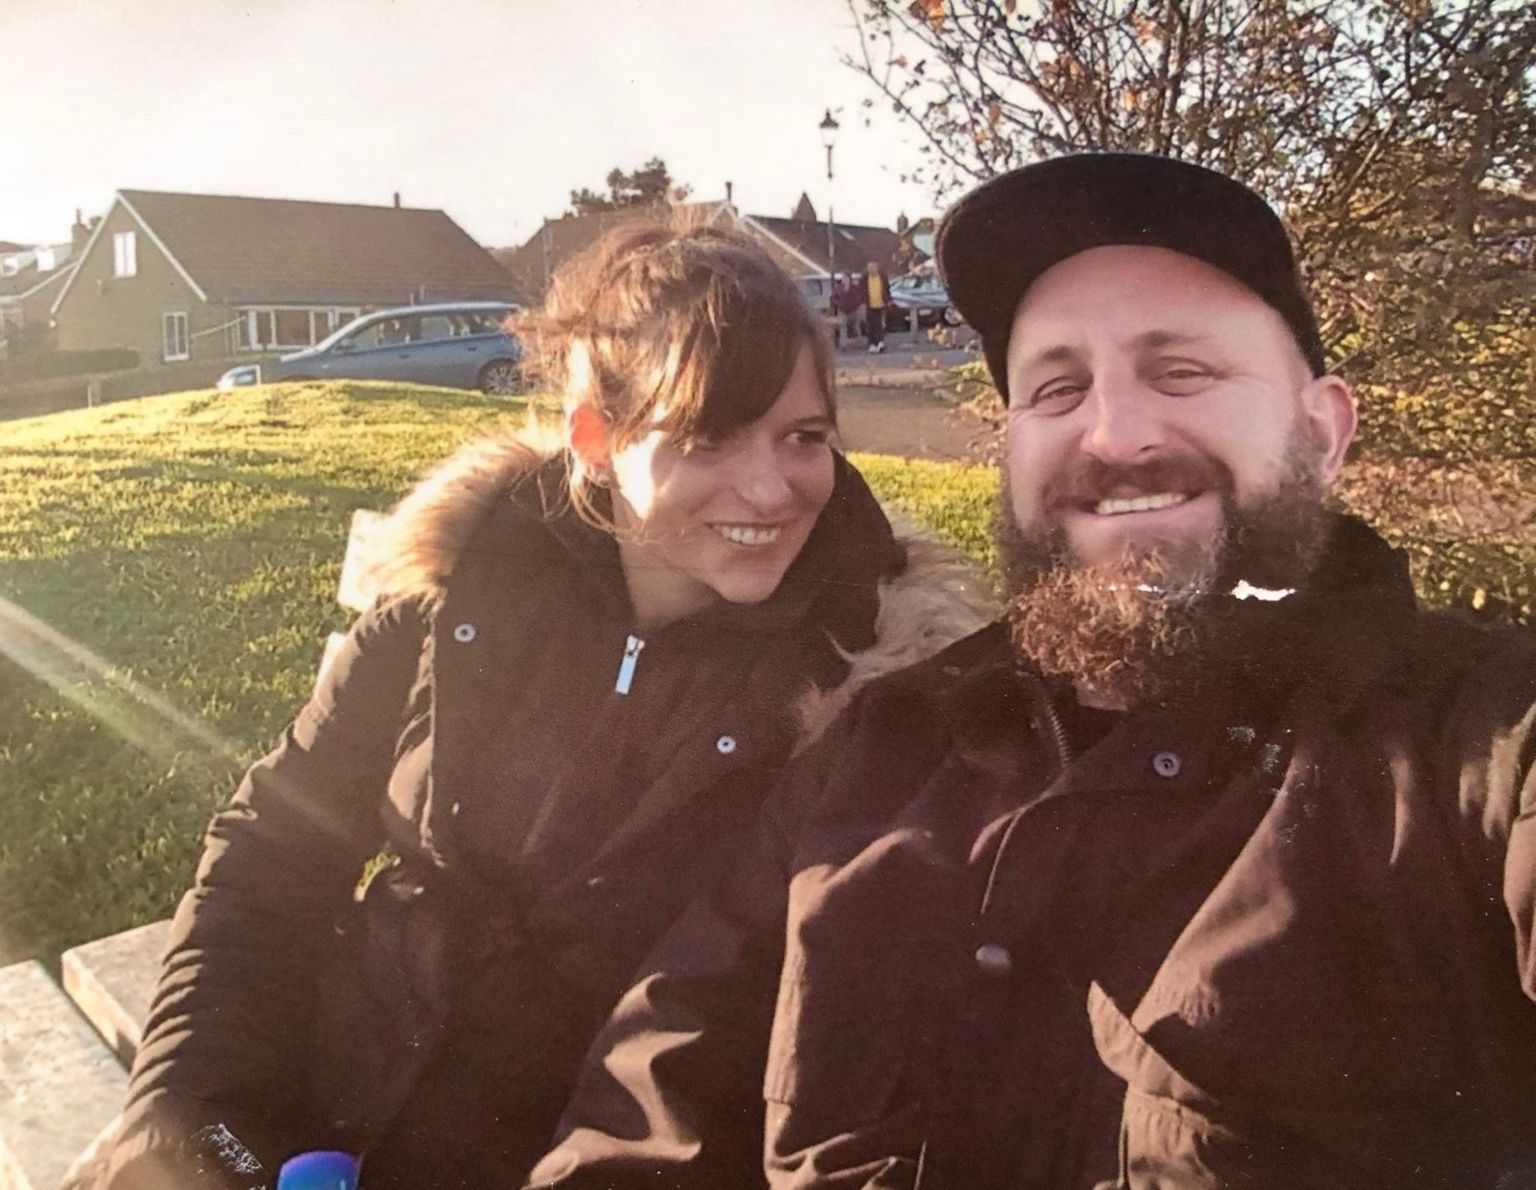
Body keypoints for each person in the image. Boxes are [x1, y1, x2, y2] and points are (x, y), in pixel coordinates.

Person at [526, 155, 1536, 1189]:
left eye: (1181, 370)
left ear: (1322, 432)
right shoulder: (879, 746)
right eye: (1058, 386)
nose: (1115, 432)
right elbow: (646, 1106)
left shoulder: (1474, 742)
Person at [96, 221, 985, 1188]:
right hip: (305, 1114)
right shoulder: (465, 587)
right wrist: (194, 1114)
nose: (771, 487)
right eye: (706, 436)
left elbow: (718, 1053)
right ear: (596, 439)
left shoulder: (855, 692)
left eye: (804, 437)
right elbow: (273, 849)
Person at [863, 261, 889, 354]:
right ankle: (872, 344)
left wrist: (888, 300)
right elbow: (862, 290)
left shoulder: (882, 277)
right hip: (870, 306)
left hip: (881, 305)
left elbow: (887, 289)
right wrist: (864, 301)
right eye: (870, 268)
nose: (872, 270)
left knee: (880, 325)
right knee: (871, 326)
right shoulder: (865, 278)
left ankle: (880, 342)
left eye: (873, 268)